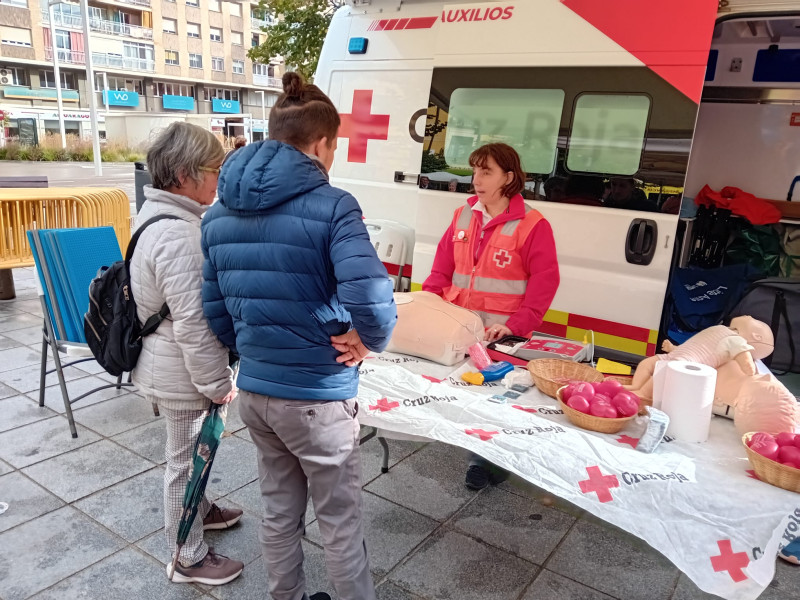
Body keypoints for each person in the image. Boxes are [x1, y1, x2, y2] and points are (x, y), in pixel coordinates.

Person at [201, 72, 397, 600]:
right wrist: (366, 340)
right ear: (321, 143)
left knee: (278, 512)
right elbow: (374, 297)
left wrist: (253, 350)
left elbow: (214, 310)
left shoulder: (216, 214)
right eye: (335, 146)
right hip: (318, 396)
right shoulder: (334, 206)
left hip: (258, 395)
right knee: (340, 522)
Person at [130, 122, 243, 586]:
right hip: (180, 368)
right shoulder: (179, 235)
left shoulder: (157, 214)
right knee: (185, 460)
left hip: (168, 359)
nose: (219, 180)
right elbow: (195, 326)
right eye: (214, 170)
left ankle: (202, 509)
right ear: (183, 173)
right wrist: (218, 385)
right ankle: (187, 555)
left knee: (193, 453)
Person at [423, 142, 560, 490]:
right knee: (465, 393)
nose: (477, 179)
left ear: (508, 177)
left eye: (487, 172)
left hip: (501, 335)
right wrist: (426, 303)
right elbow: (442, 268)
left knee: (493, 401)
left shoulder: (533, 224)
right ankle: (476, 448)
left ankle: (484, 463)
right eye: (475, 170)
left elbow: (545, 284)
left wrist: (516, 326)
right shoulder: (463, 215)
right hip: (459, 328)